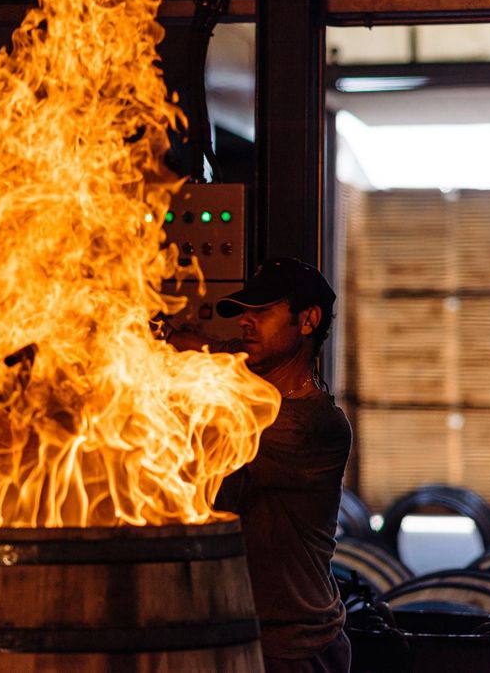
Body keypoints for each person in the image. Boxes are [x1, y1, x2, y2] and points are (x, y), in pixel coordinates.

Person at [165, 257, 352, 673]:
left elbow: (202, 426)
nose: (246, 322)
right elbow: (200, 347)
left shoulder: (310, 425)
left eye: (262, 312)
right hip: (239, 630)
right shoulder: (248, 375)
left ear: (308, 321)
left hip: (292, 647)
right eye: (244, 312)